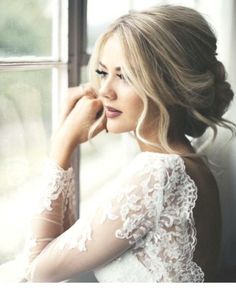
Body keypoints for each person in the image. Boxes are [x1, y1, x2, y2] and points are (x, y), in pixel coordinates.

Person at [22, 5, 235, 282]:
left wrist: (62, 142)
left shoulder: (159, 171)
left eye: (125, 76)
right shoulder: (189, 162)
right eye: (102, 72)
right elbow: (67, 247)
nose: (106, 91)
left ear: (171, 84)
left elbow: (37, 272)